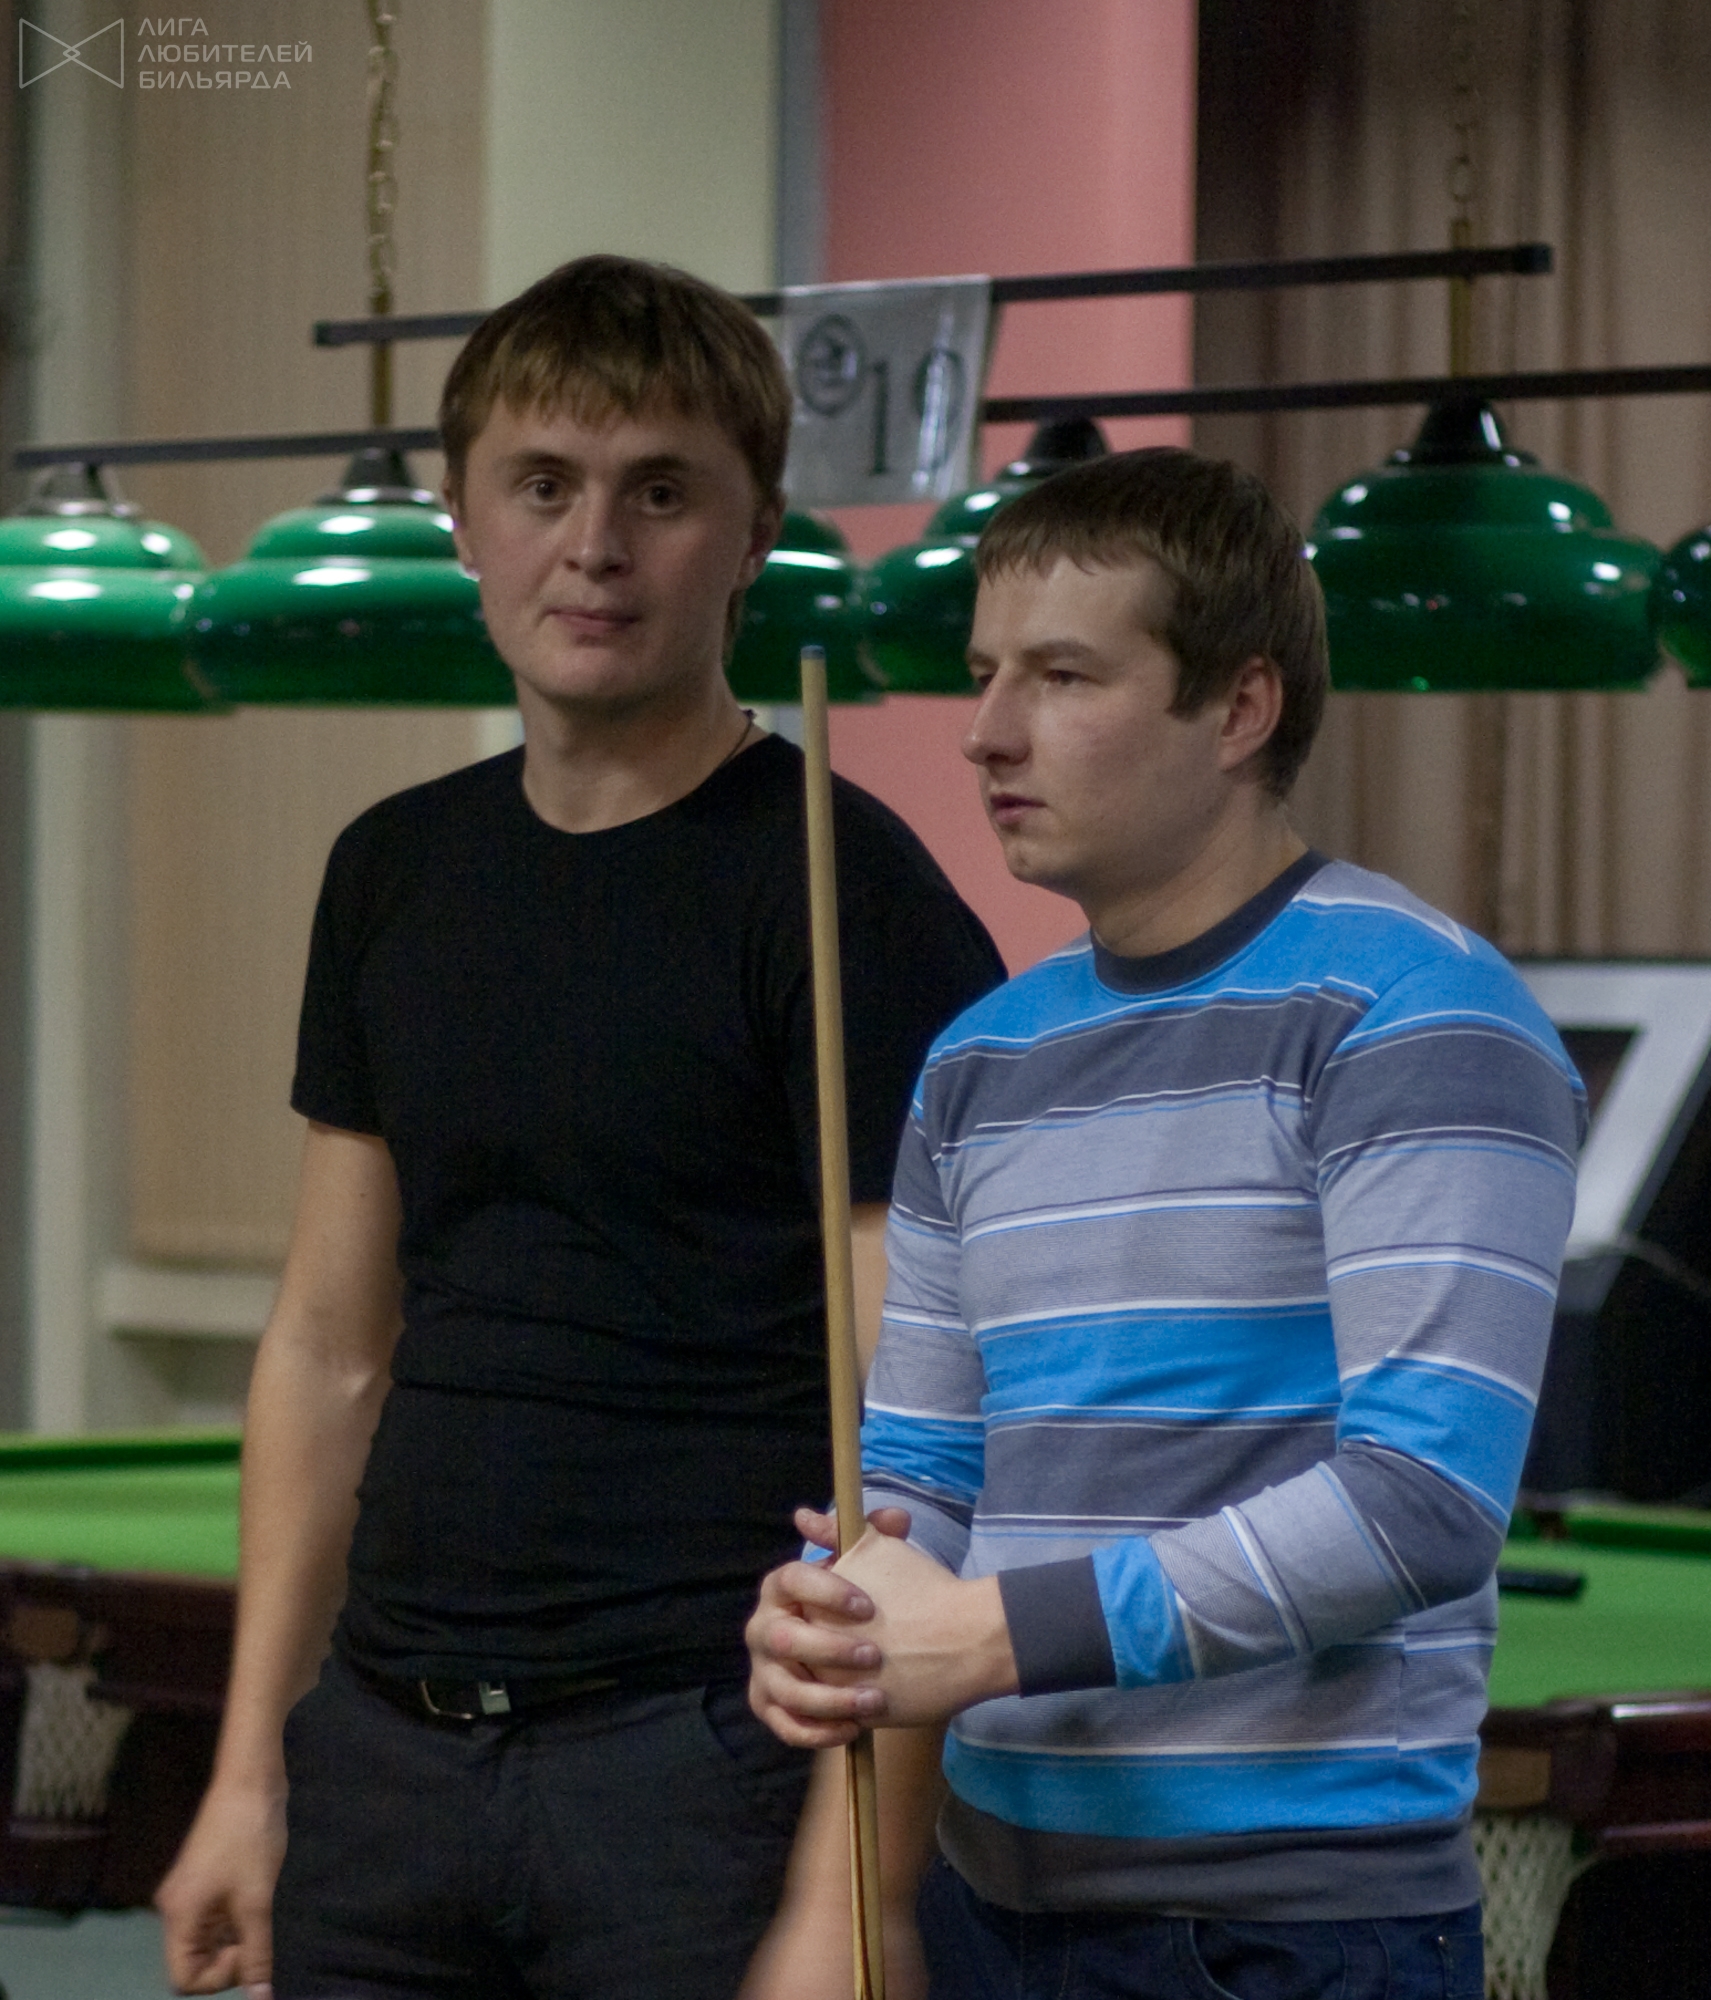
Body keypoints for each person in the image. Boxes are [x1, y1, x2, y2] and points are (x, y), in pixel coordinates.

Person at [156, 254, 1004, 2000]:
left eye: (660, 492)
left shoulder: (844, 892)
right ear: (465, 523)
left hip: (702, 1768)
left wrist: (858, 1893)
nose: (595, 545)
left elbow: (927, 1420)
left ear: (752, 533)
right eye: (543, 485)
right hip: (384, 1762)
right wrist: (249, 1776)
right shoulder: (394, 870)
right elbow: (328, 1351)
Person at [745, 447, 1586, 2000]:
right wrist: (839, 1614)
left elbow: (1417, 1504)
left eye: (1063, 676)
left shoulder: (1414, 1013)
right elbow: (922, 1482)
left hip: (1286, 1933)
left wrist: (987, 1637)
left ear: (1241, 707)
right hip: (991, 1907)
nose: (988, 731)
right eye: (984, 674)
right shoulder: (978, 1061)